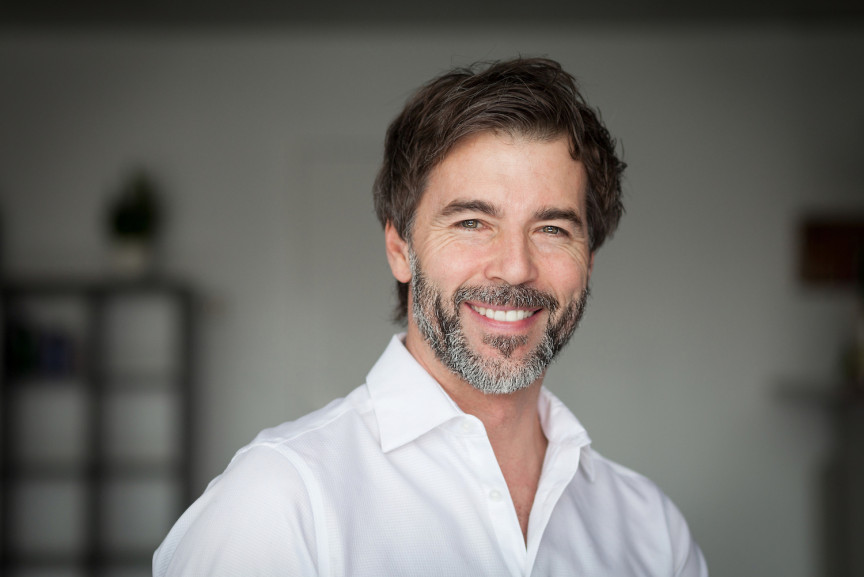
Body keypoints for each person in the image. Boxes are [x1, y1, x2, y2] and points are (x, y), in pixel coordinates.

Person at [153, 57, 708, 577]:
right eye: (471, 222)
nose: (515, 269)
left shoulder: (651, 531)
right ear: (399, 247)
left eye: (553, 229)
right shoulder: (280, 500)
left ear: (589, 257)